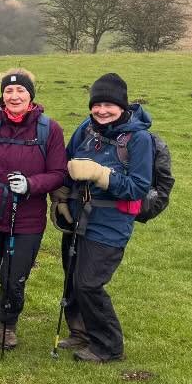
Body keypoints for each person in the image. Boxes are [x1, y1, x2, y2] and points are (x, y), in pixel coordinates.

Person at [0, 69, 68, 349]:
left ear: (31, 95)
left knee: (14, 276)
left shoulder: (49, 129)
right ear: (2, 95)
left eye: (20, 91)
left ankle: (6, 322)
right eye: (8, 91)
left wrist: (31, 184)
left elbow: (58, 173)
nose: (14, 96)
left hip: (27, 218)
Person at [57, 72, 154, 363]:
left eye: (109, 105)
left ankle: (109, 346)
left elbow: (138, 187)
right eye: (96, 105)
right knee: (73, 277)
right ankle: (80, 332)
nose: (101, 110)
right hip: (77, 215)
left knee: (89, 283)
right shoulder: (86, 128)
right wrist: (61, 196)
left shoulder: (138, 139)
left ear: (122, 106)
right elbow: (67, 161)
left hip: (111, 222)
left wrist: (101, 175)